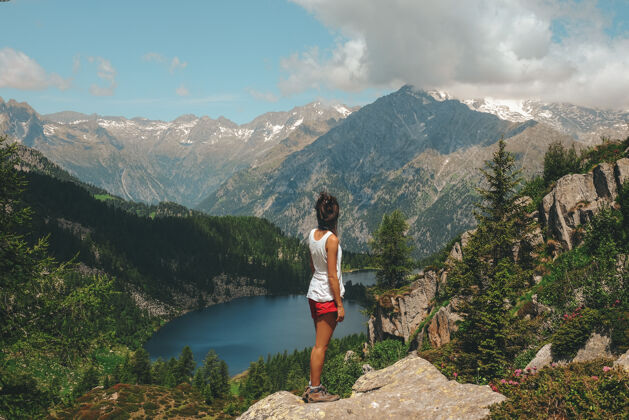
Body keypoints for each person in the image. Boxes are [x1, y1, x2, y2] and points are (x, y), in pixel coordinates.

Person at [302, 192, 345, 403]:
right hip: (327, 297)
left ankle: (313, 386)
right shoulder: (332, 240)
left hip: (314, 293)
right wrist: (340, 304)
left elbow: (313, 266)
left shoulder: (312, 235)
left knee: (318, 343)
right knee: (321, 346)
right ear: (335, 216)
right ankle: (315, 390)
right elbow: (332, 275)